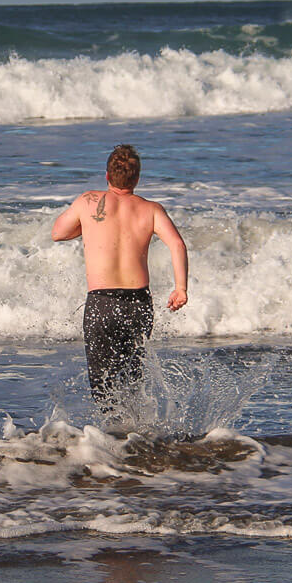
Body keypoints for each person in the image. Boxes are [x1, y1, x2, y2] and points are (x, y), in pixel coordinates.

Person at [51, 144, 189, 411]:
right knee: (133, 378)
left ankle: (113, 440)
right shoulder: (151, 209)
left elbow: (58, 233)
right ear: (137, 178)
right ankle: (136, 439)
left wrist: (88, 228)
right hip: (138, 303)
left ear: (106, 176)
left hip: (101, 303)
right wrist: (180, 288)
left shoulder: (87, 201)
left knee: (103, 385)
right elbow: (177, 245)